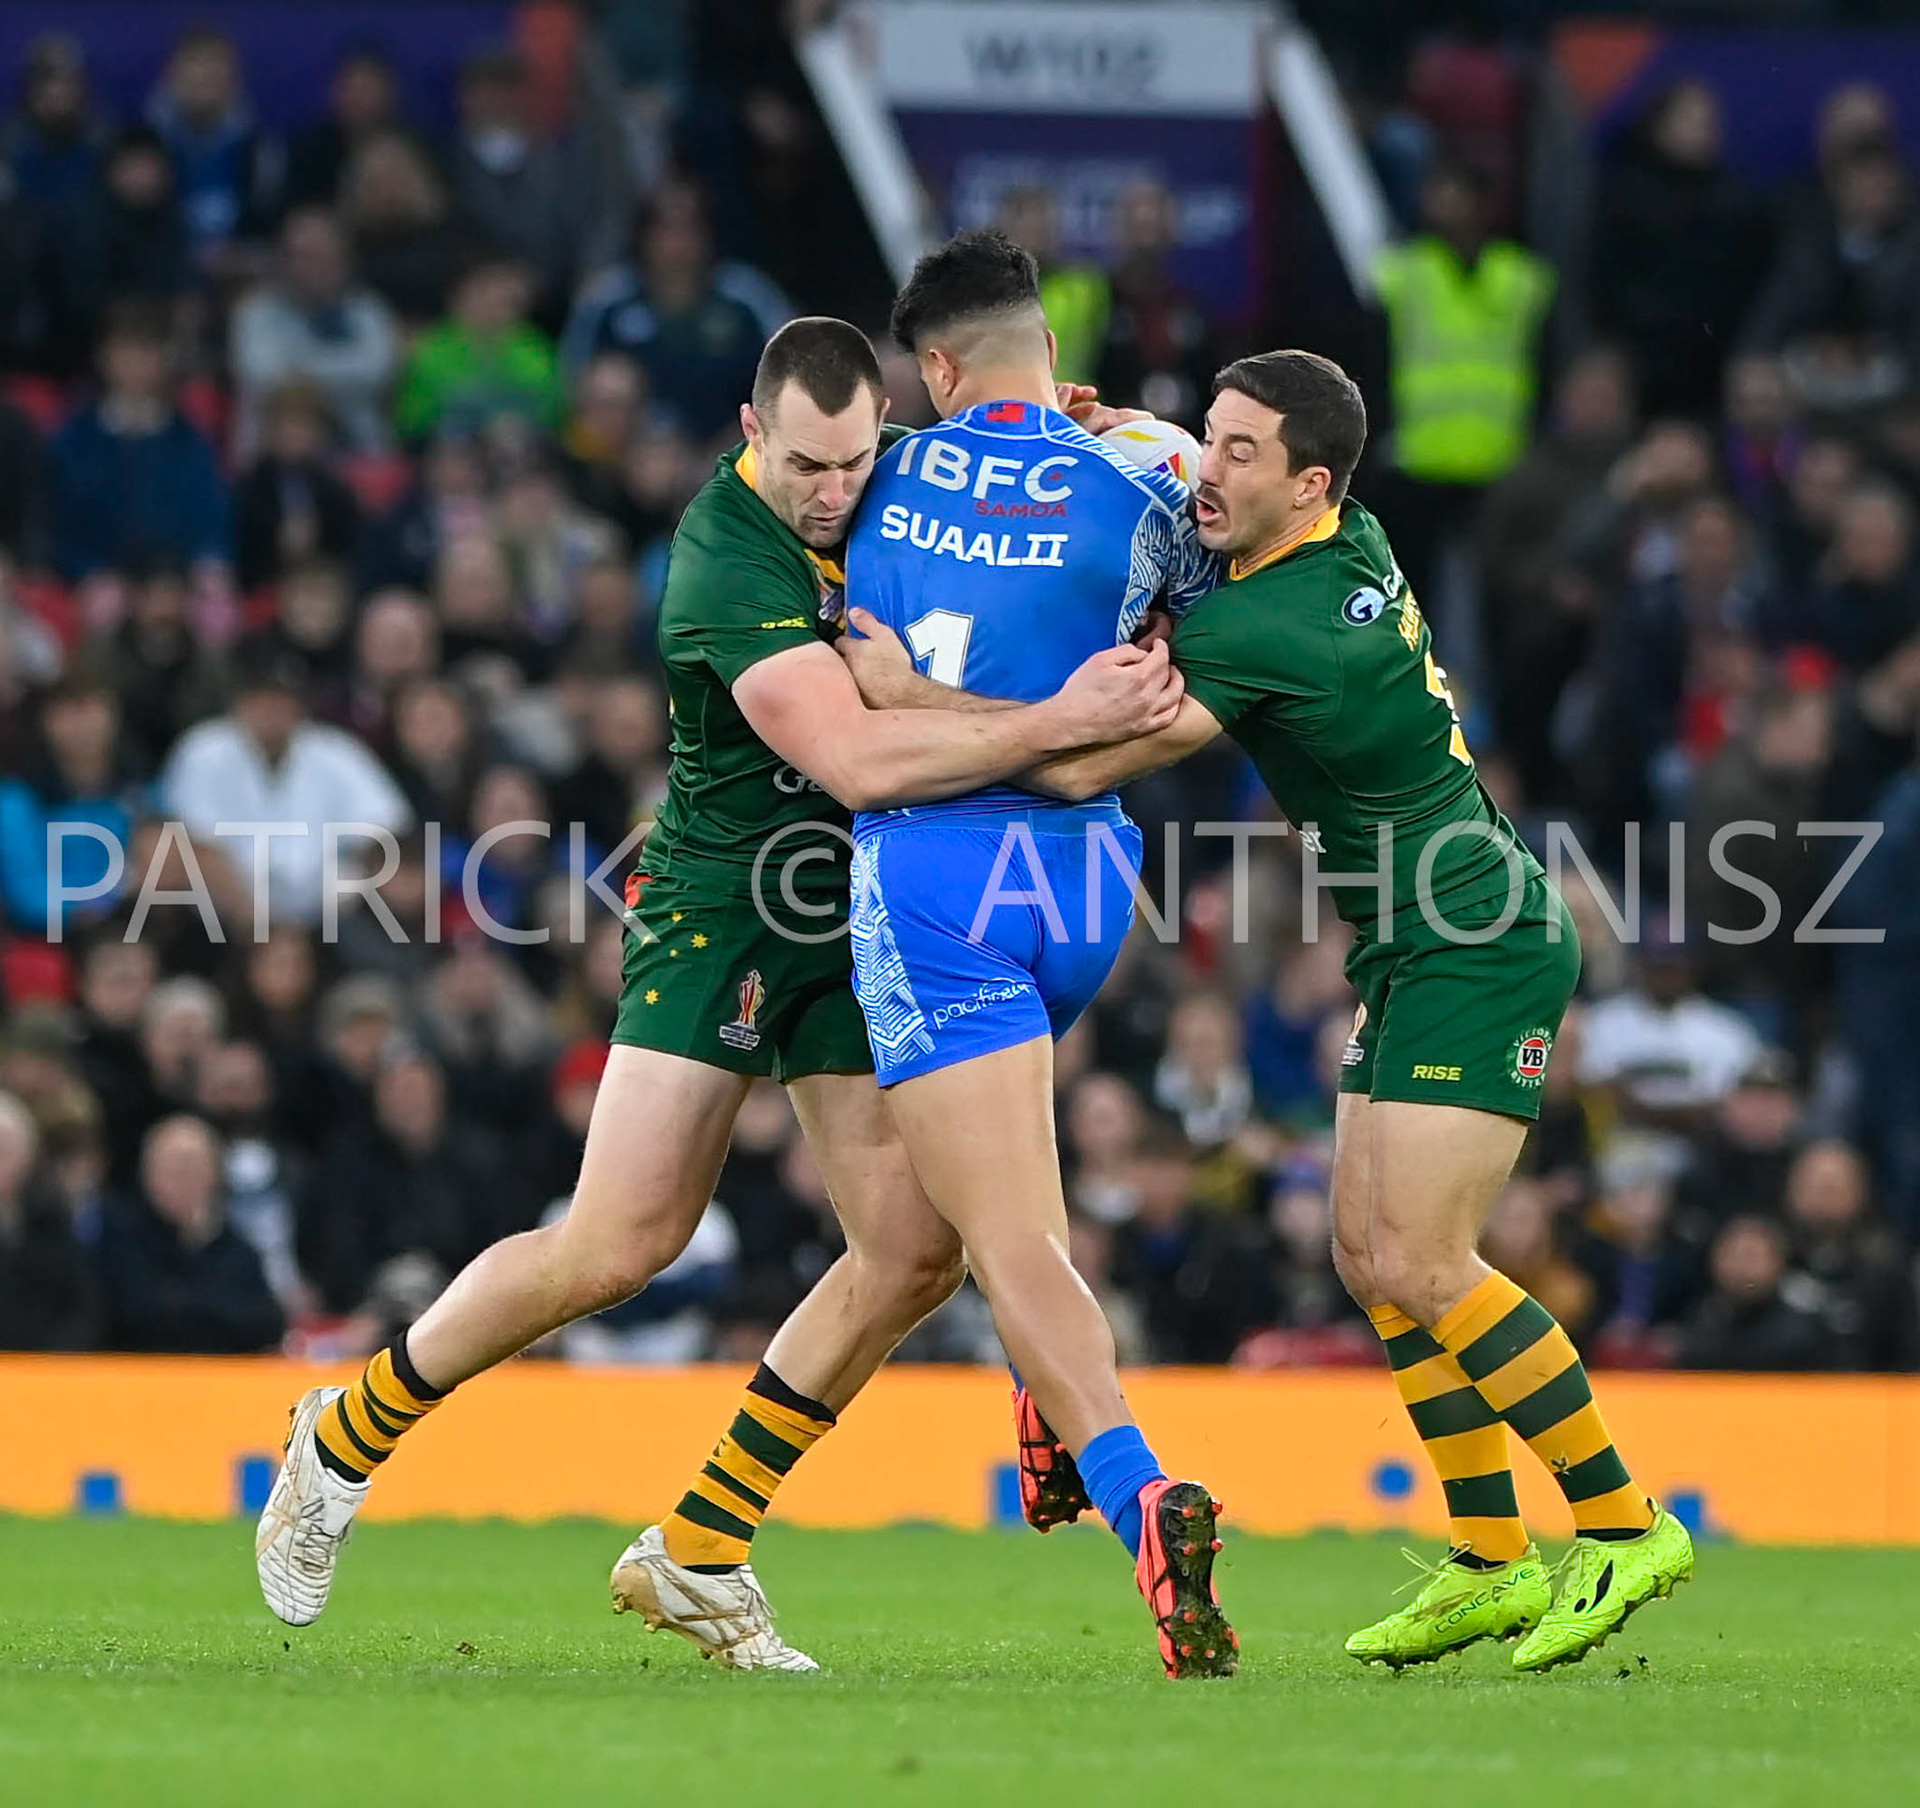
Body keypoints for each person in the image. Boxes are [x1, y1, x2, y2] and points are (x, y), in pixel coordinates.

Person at [254, 316, 1178, 1665]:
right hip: (726, 907)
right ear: (752, 433)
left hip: (872, 904)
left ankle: (700, 1547)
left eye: (857, 464)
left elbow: (1010, 493)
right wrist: (1066, 725)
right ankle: (346, 1434)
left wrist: (1049, 430)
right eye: (808, 466)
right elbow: (859, 759)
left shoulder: (901, 474)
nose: (835, 494)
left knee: (913, 1252)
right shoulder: (723, 556)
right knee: (619, 1245)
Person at [852, 346, 1695, 1671]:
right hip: (1414, 936)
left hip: (1474, 940)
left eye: (1243, 454)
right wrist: (1119, 422)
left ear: (1309, 482)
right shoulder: (1336, 529)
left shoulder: (1257, 632)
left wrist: (902, 696)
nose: (1210, 465)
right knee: (1372, 1264)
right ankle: (1492, 1558)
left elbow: (1081, 769)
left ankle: (1627, 1523)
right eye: (1211, 437)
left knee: (1424, 1260)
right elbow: (1196, 471)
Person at [831, 230, 1236, 1679]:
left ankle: (1141, 1497)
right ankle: (1042, 1402)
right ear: (1045, 348)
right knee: (1012, 1207)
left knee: (1003, 1238)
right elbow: (1234, 587)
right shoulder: (1149, 466)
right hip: (1087, 880)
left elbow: (840, 695)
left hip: (941, 872)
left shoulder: (864, 470)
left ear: (933, 369)